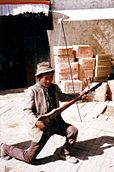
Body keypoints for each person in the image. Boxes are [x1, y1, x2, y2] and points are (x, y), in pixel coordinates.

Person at [0, 61, 80, 164]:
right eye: (46, 78)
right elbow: (27, 110)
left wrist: (79, 96)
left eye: (51, 77)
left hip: (56, 123)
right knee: (29, 158)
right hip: (43, 127)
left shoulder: (54, 88)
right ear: (39, 78)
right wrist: (36, 122)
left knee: (73, 131)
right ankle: (5, 148)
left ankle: (64, 153)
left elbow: (63, 97)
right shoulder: (32, 91)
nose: (49, 81)